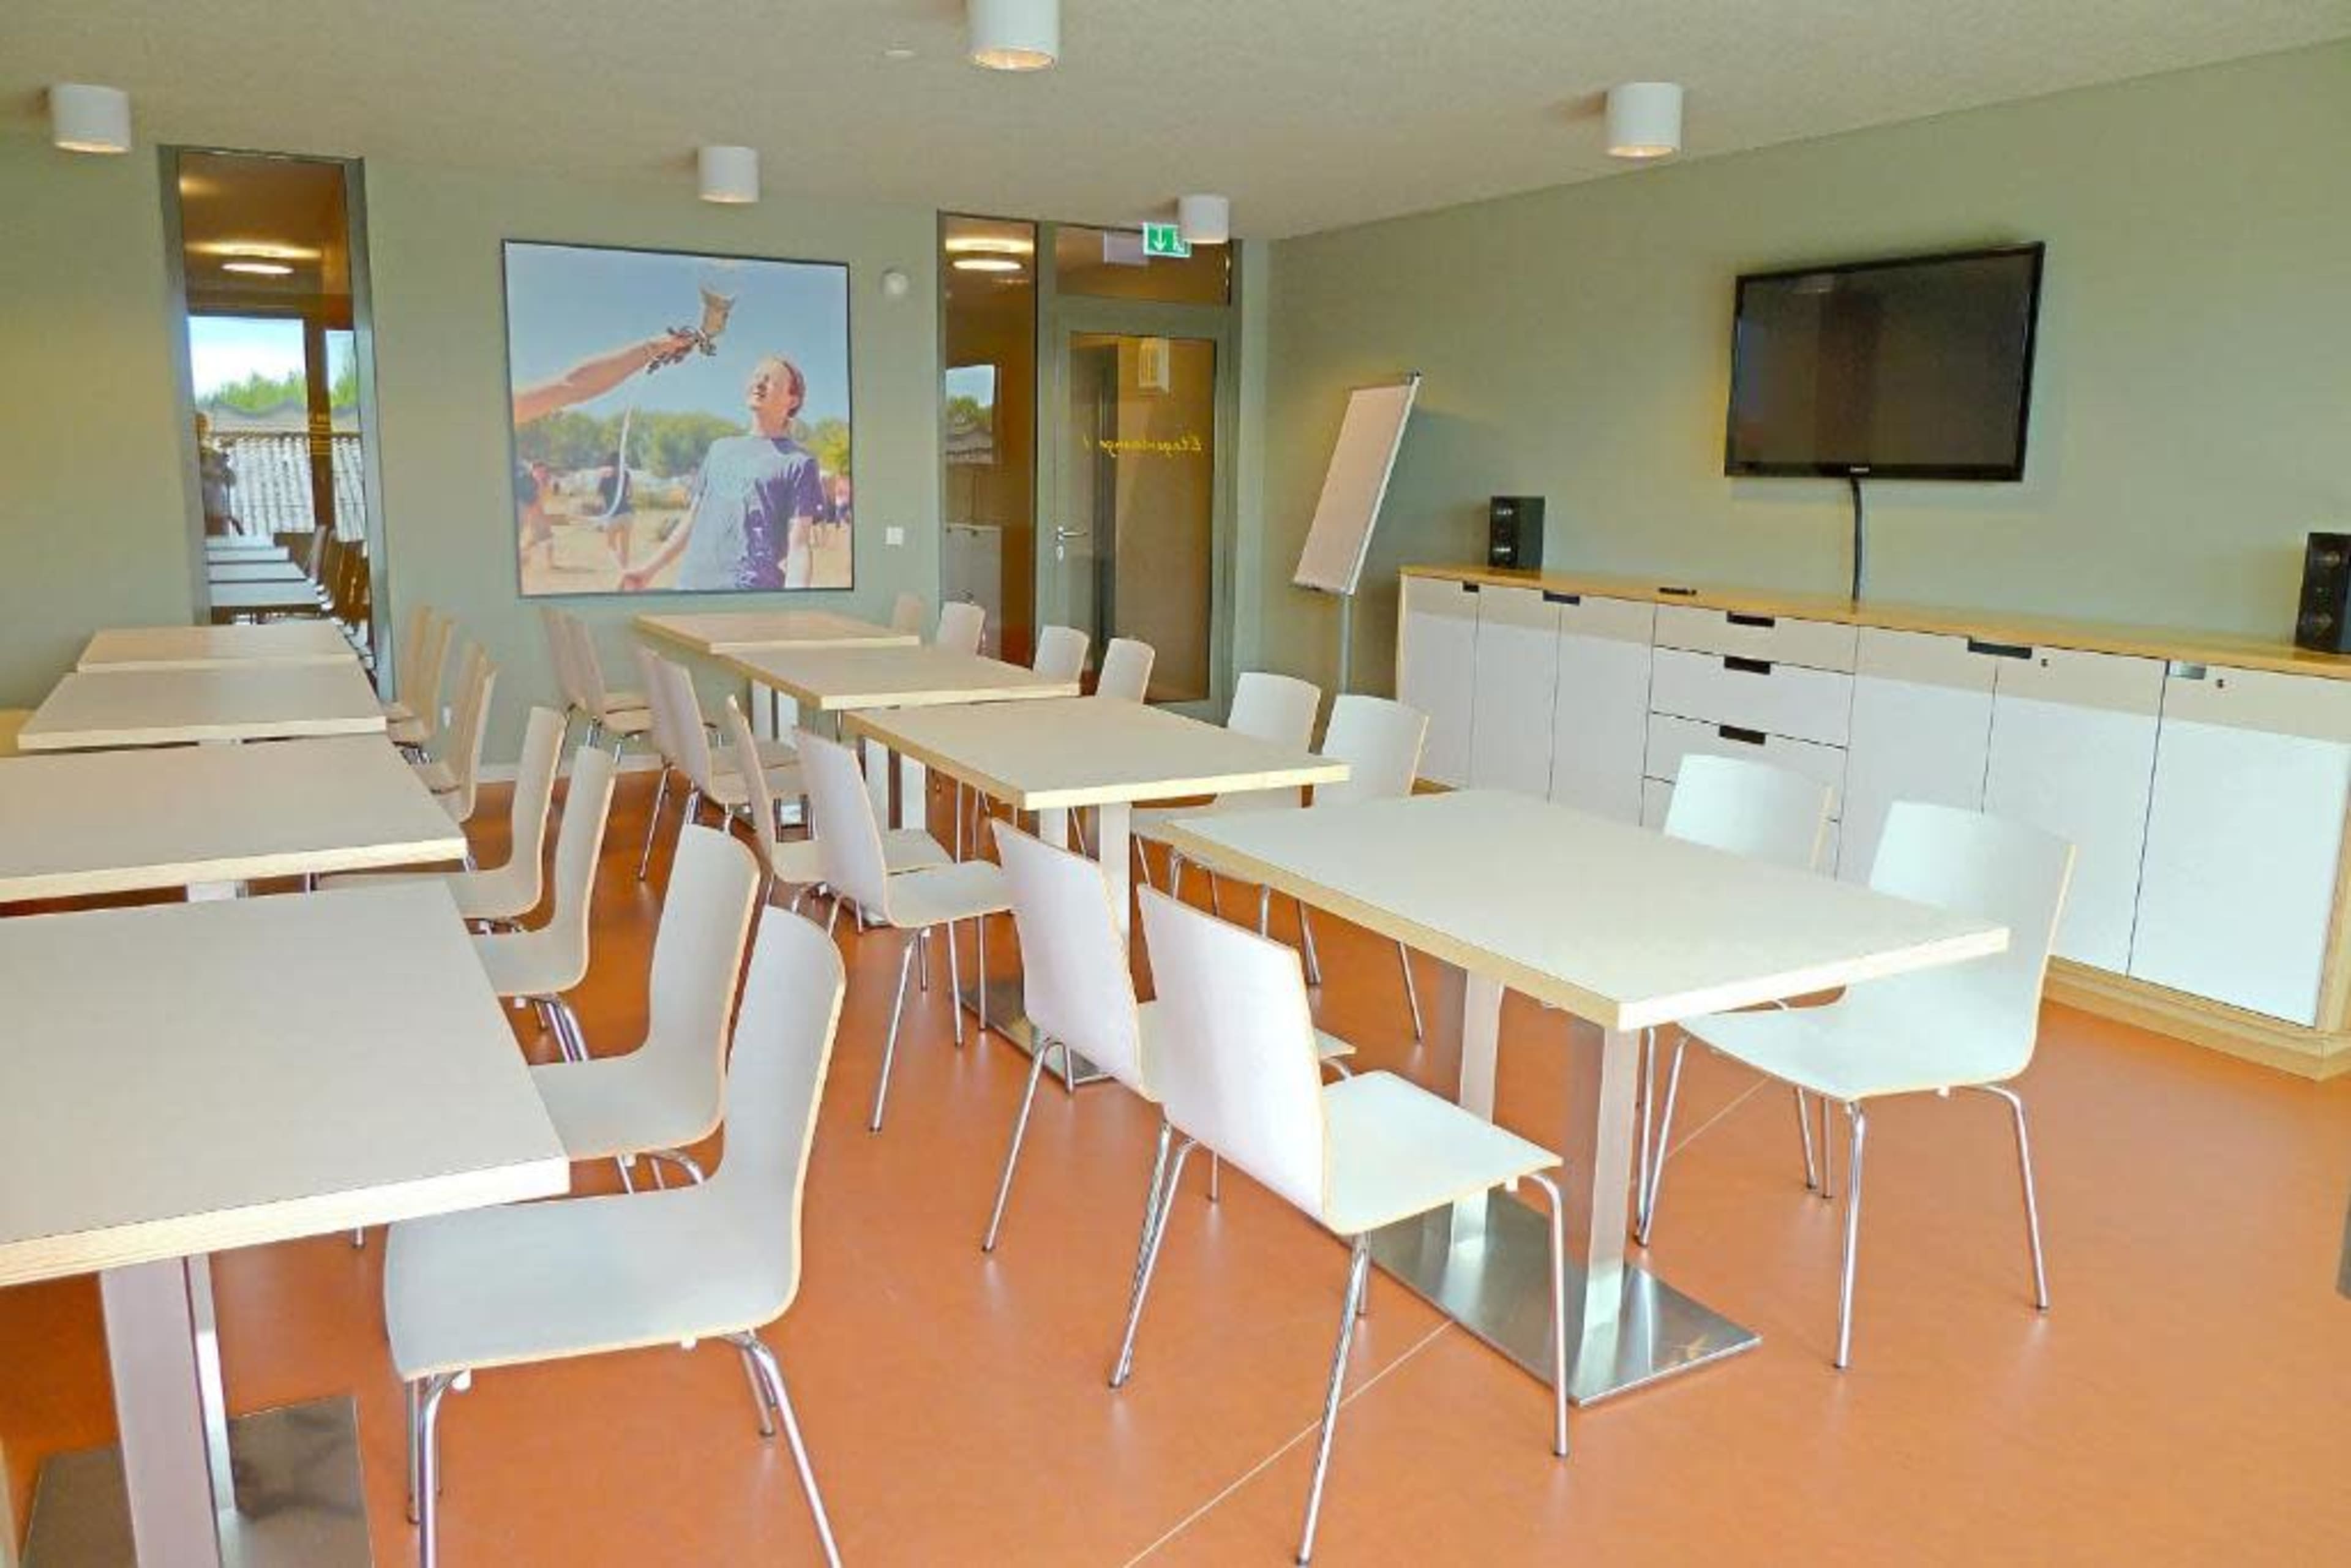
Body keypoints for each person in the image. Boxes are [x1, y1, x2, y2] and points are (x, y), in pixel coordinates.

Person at [621, 355, 825, 592]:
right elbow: (693, 521)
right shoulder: (719, 449)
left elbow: (799, 545)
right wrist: (647, 571)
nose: (760, 383)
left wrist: (797, 602)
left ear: (792, 400)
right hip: (692, 587)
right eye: (757, 377)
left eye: (772, 380)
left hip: (753, 597)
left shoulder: (800, 463)